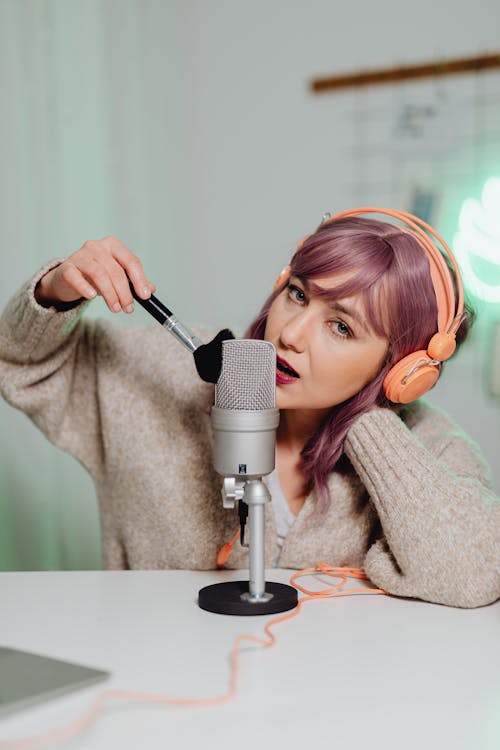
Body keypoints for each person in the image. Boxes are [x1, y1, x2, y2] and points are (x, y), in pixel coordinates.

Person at [0, 209, 498, 609]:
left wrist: (368, 412)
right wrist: (54, 292)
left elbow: (473, 573)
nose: (291, 334)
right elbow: (19, 362)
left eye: (342, 327)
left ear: (401, 370)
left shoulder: (431, 449)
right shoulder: (163, 372)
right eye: (298, 294)